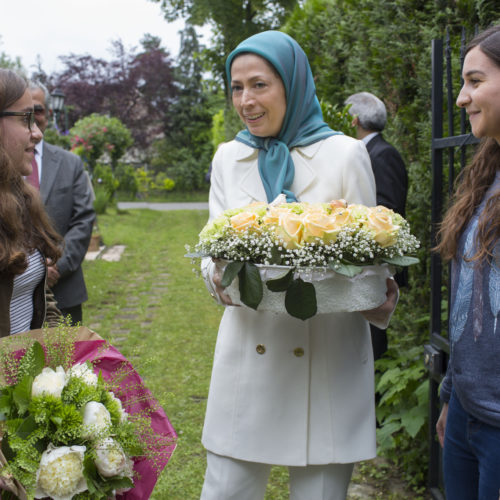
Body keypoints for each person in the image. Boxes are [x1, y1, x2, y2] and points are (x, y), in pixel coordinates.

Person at [200, 31, 398, 500]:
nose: (245, 100)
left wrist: (377, 296)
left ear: (292, 83)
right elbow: (211, 252)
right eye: (236, 87)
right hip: (249, 358)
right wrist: (217, 275)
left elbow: (373, 264)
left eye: (259, 85)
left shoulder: (346, 154)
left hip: (326, 366)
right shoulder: (229, 158)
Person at [435, 25, 500, 500]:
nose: (461, 98)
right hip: (465, 414)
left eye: (474, 81)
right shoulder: (487, 173)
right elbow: (466, 301)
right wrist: (450, 396)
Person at [345, 92, 408, 360]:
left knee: (374, 339)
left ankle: (375, 392)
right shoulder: (372, 152)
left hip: (378, 260)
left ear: (355, 120)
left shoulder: (382, 155)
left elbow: (388, 209)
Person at [0, 69, 63, 337]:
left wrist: (59, 363)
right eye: (26, 119)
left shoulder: (22, 200)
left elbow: (41, 299)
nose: (36, 133)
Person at [28, 81, 95, 326]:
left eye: (38, 109)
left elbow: (84, 220)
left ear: (49, 113)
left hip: (64, 289)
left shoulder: (70, 164)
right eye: (25, 111)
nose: (33, 117)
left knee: (67, 362)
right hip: (12, 294)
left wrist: (56, 266)